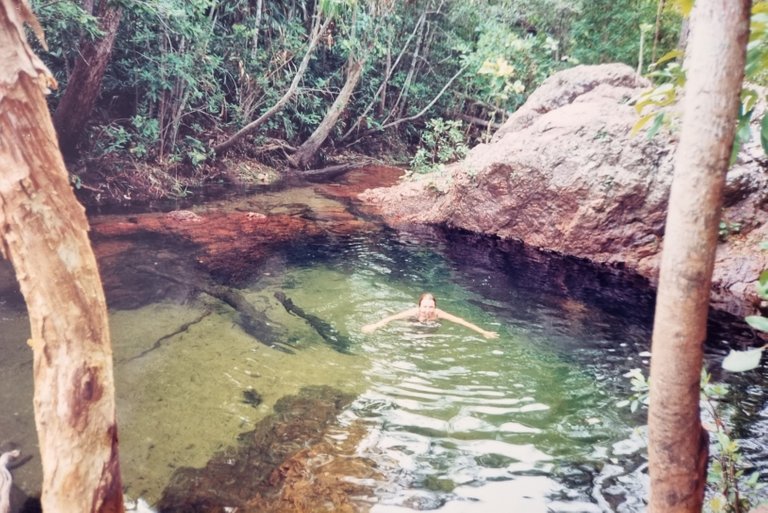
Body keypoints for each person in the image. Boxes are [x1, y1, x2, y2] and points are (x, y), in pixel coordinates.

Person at [361, 292, 499, 339]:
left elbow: (461, 322)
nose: (428, 310)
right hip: (413, 323)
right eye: (425, 306)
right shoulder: (413, 312)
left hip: (431, 327)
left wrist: (483, 332)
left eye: (431, 307)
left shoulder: (438, 314)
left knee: (427, 339)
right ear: (419, 306)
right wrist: (375, 326)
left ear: (435, 307)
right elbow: (391, 318)